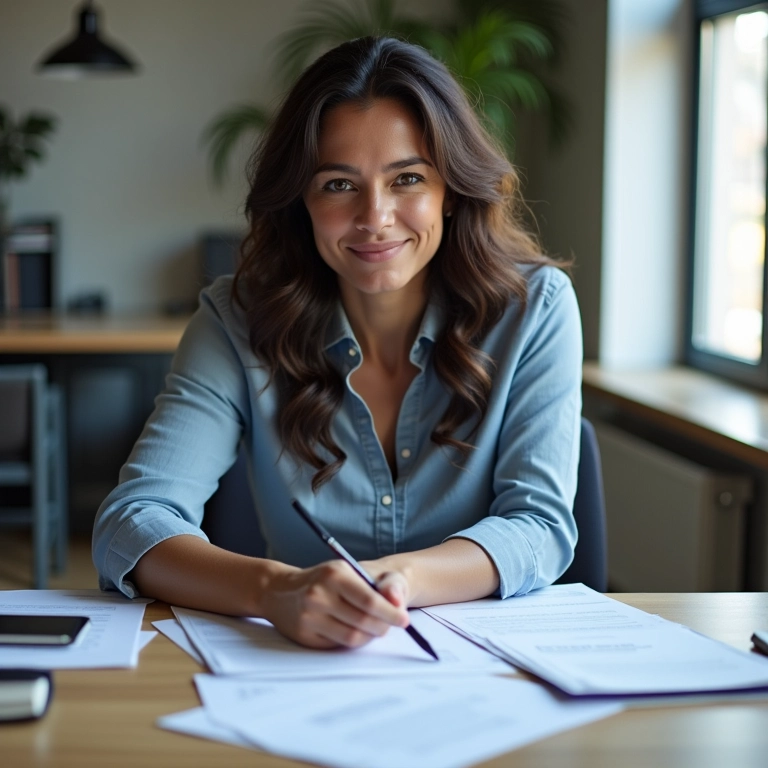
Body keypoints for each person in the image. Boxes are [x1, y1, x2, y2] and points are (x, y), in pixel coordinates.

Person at [92, 36, 582, 651]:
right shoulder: (236, 321)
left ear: (451, 191)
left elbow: (538, 527)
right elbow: (132, 522)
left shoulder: (535, 308)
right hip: (293, 663)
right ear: (301, 199)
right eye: (338, 185)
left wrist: (396, 580)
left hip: (483, 663)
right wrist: (274, 590)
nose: (375, 217)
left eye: (407, 178)